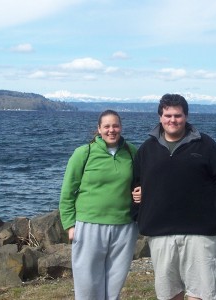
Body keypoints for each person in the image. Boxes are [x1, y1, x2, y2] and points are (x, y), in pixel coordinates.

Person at [132, 94, 216, 300]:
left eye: (178, 115)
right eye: (168, 115)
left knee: (201, 292)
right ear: (160, 117)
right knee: (168, 292)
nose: (173, 120)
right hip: (160, 233)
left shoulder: (205, 145)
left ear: (186, 116)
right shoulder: (147, 149)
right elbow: (134, 185)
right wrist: (141, 214)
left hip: (199, 233)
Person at [59, 110, 139, 300]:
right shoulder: (83, 153)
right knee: (87, 285)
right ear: (99, 129)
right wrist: (70, 225)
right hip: (89, 225)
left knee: (114, 284)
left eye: (115, 126)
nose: (112, 130)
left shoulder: (131, 152)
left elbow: (141, 182)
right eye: (107, 126)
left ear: (121, 127)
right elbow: (68, 192)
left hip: (125, 226)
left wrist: (141, 192)